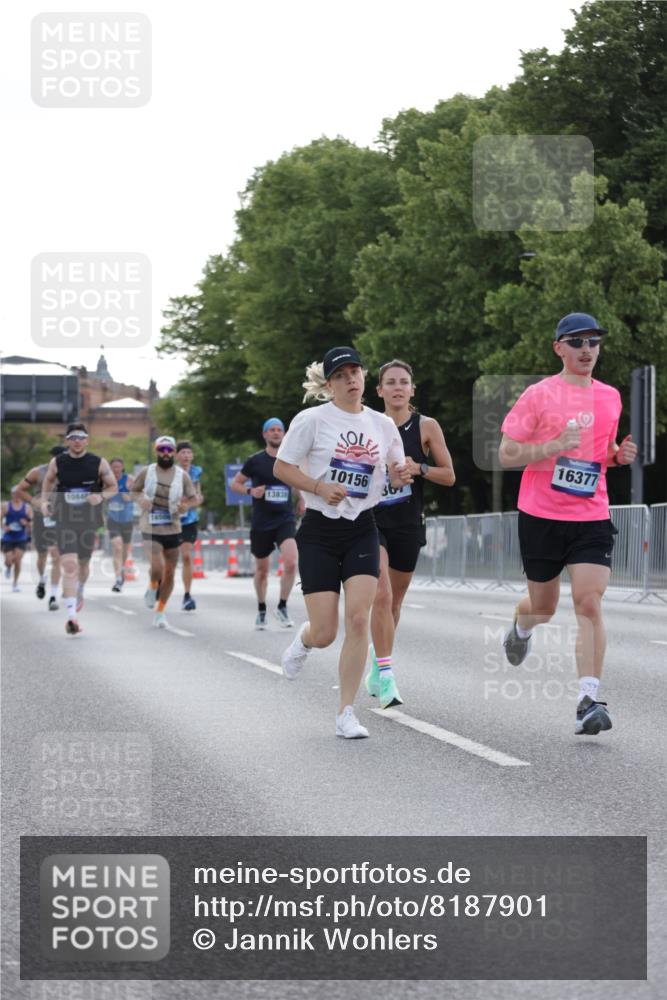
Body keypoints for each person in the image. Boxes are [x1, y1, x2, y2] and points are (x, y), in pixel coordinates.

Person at [498, 313, 638, 736]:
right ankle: (522, 627)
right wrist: (554, 446)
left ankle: (588, 700)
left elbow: (602, 452)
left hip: (590, 515)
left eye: (593, 342)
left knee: (589, 602)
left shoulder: (610, 397)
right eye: (577, 342)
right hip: (541, 515)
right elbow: (506, 453)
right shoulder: (539, 394)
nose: (586, 349)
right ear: (559, 348)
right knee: (543, 606)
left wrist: (617, 457)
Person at [274, 346, 411, 739]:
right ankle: (303, 641)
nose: (351, 379)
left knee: (358, 619)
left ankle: (346, 713)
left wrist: (401, 474)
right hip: (319, 530)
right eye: (341, 375)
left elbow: (395, 472)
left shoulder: (382, 424)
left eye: (355, 372)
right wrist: (318, 487)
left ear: (364, 377)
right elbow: (282, 467)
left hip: (361, 527)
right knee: (325, 632)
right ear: (330, 383)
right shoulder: (312, 420)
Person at [367, 360, 456, 708]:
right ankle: (388, 676)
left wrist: (419, 468)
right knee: (381, 596)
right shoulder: (368, 425)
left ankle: (378, 661)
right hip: (372, 520)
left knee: (395, 602)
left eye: (403, 382)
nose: (397, 388)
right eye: (390, 382)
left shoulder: (426, 426)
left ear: (412, 389)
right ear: (380, 390)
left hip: (407, 522)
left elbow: (449, 475)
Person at [40, 424, 117, 635]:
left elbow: (113, 487)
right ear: (67, 441)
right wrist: (44, 502)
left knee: (83, 564)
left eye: (81, 437)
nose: (77, 441)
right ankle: (72, 617)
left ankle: (80, 589)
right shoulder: (58, 462)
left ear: (87, 440)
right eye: (73, 437)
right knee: (69, 565)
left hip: (89, 520)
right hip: (64, 518)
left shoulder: (98, 462)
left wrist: (100, 496)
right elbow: (48, 481)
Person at [230, 418, 304, 629]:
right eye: (271, 430)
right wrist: (250, 491)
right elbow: (235, 483)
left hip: (285, 519)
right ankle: (261, 609)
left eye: (279, 430)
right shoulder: (255, 461)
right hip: (262, 521)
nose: (276, 433)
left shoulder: (290, 460)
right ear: (265, 434)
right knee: (262, 570)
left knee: (291, 563)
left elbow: (296, 483)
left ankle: (282, 606)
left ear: (284, 434)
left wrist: (302, 499)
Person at [130, 436, 197, 629]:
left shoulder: (182, 475)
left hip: (172, 526)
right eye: (162, 449)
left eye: (169, 450)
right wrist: (141, 500)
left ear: (174, 452)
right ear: (156, 451)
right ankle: (153, 586)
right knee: (157, 567)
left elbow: (193, 498)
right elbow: (134, 491)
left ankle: (160, 611)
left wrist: (185, 506)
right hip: (150, 525)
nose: (165, 453)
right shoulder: (147, 471)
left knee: (169, 572)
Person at [15, 445, 65, 609]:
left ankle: (53, 596)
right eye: (56, 458)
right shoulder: (37, 472)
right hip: (41, 517)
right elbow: (20, 489)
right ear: (51, 458)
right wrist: (34, 501)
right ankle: (42, 579)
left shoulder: (71, 473)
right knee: (42, 554)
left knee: (56, 555)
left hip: (61, 518)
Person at [175, 441, 204, 611]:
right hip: (170, 520)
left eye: (189, 453)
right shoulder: (171, 472)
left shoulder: (196, 472)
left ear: (192, 456)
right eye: (183, 452)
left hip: (189, 520)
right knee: (168, 559)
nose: (186, 456)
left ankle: (187, 595)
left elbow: (198, 497)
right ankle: (159, 583)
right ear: (177, 455)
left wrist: (189, 504)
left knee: (186, 556)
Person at [106, 458, 135, 592]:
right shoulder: (107, 480)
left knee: (124, 550)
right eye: (113, 467)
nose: (116, 469)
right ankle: (118, 579)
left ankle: (121, 569)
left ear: (122, 467)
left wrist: (127, 494)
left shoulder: (129, 479)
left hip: (127, 520)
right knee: (117, 547)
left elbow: (135, 496)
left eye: (118, 467)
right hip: (113, 519)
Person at [2, 487, 32, 592]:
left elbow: (32, 523)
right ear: (12, 494)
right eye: (14, 493)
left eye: (19, 493)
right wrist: (4, 527)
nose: (16, 496)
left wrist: (26, 523)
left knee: (18, 561)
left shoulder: (27, 508)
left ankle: (15, 584)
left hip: (21, 537)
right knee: (9, 561)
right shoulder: (6, 506)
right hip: (8, 537)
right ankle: (8, 567)